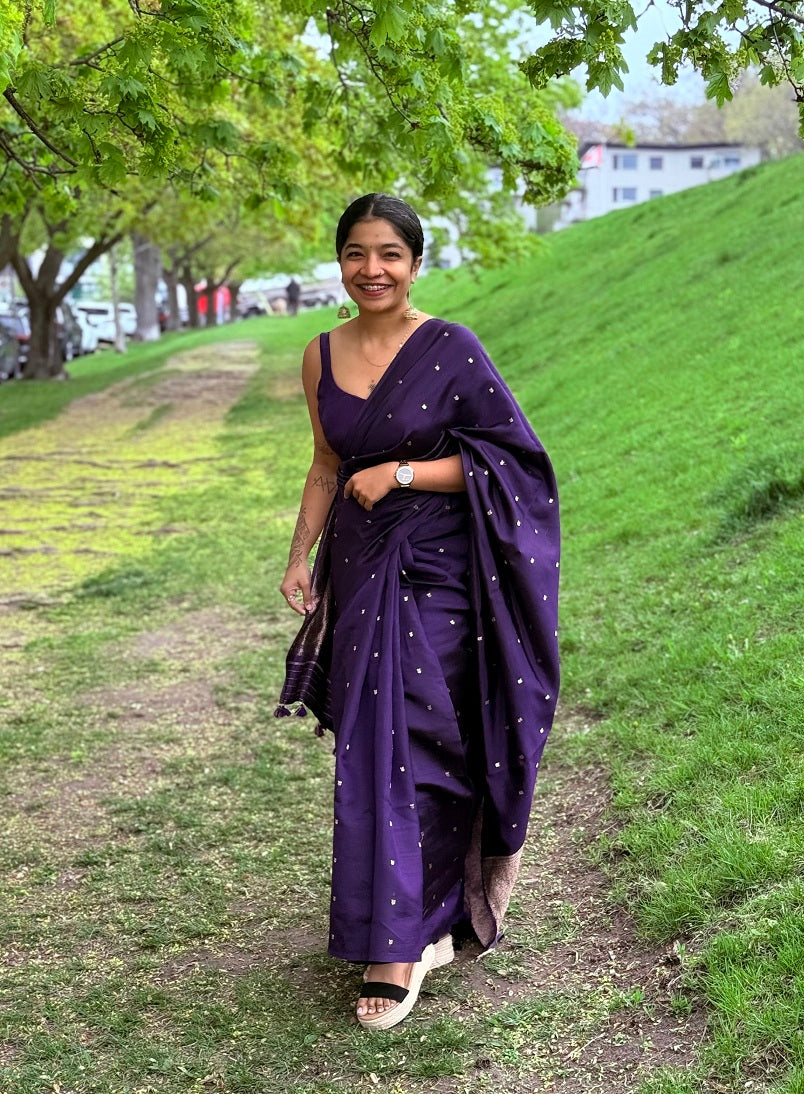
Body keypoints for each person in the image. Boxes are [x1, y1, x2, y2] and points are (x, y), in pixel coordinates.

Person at [278, 193, 560, 1031]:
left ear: (414, 262)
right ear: (340, 262)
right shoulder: (319, 354)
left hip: (441, 571)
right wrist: (300, 555)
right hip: (361, 569)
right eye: (357, 253)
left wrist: (401, 472)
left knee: (420, 739)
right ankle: (415, 922)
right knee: (373, 746)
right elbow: (327, 464)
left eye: (390, 254)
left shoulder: (449, 347)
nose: (373, 270)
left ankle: (398, 944)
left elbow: (513, 461)